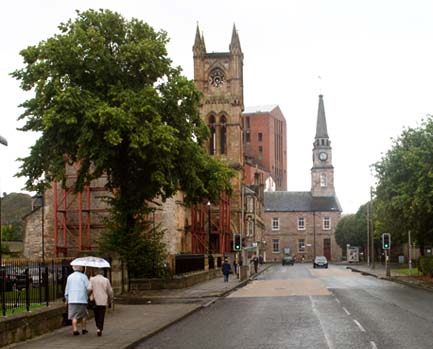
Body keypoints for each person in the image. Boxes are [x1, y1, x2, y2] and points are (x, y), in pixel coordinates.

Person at [88, 268, 114, 337]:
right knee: (101, 315)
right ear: (102, 273)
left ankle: (98, 327)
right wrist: (111, 298)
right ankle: (99, 328)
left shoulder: (92, 279)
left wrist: (89, 294)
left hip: (94, 300)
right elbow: (110, 291)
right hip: (103, 300)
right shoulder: (106, 280)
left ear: (95, 272)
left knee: (96, 315)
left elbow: (89, 289)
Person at [65, 265, 90, 336]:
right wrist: (87, 294)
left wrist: (66, 298)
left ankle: (75, 330)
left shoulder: (69, 277)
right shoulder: (84, 276)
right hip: (82, 299)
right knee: (84, 315)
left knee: (74, 316)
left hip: (72, 299)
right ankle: (84, 329)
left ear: (73, 268)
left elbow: (67, 289)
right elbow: (89, 287)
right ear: (81, 268)